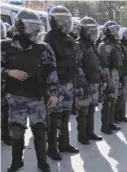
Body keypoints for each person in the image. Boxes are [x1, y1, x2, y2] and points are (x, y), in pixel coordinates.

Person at [1, 9, 59, 172]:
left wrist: (54, 93)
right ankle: (16, 162)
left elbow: (52, 70)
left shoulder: (43, 48)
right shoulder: (5, 46)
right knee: (17, 132)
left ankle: (42, 162)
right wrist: (8, 72)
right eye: (30, 27)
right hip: (16, 97)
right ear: (20, 27)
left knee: (40, 131)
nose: (34, 30)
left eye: (36, 27)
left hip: (37, 97)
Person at [44, 5, 80, 161]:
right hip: (57, 84)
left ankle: (64, 144)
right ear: (56, 22)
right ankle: (52, 148)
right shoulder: (49, 38)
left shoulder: (70, 38)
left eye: (68, 21)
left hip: (69, 83)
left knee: (66, 115)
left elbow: (76, 59)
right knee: (55, 117)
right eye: (63, 21)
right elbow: (48, 65)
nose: (66, 24)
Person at [75, 16, 103, 143]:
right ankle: (82, 135)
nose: (93, 34)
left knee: (92, 108)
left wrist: (102, 77)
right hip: (85, 83)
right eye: (91, 31)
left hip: (94, 82)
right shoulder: (78, 45)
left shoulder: (92, 45)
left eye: (94, 31)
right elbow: (77, 65)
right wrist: (83, 82)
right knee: (83, 111)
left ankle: (90, 132)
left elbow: (96, 63)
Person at [98, 20, 122, 134]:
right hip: (108, 77)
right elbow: (103, 64)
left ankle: (111, 123)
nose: (116, 34)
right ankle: (104, 126)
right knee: (107, 102)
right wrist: (107, 80)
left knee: (113, 100)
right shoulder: (103, 46)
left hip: (115, 75)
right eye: (114, 31)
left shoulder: (115, 45)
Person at [114, 27, 127, 123]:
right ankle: (115, 116)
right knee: (120, 97)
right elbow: (119, 63)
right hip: (122, 75)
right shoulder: (119, 47)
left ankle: (122, 115)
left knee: (125, 96)